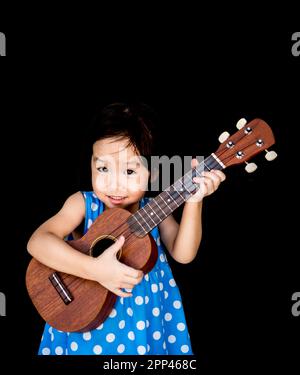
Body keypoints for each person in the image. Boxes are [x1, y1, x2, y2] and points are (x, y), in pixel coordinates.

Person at [27, 102, 226, 355]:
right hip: (83, 329)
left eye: (130, 170)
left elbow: (183, 254)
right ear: (90, 163)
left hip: (145, 328)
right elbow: (37, 242)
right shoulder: (83, 204)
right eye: (102, 168)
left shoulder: (156, 211)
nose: (114, 183)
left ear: (153, 173)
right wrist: (95, 270)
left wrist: (194, 202)